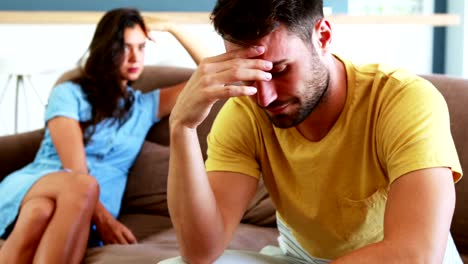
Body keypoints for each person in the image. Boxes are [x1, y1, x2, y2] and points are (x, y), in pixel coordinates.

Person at [162, 0, 464, 263]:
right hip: (300, 258)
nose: (264, 98)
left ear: (323, 36)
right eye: (251, 75)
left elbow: (416, 254)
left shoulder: (403, 100)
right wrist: (182, 127)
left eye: (279, 70)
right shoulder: (245, 113)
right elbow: (200, 252)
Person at [0, 7, 203, 264]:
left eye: (141, 47)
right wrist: (105, 220)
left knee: (39, 212)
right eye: (125, 48)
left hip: (77, 209)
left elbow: (212, 73)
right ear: (107, 49)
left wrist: (175, 28)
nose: (134, 58)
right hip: (37, 184)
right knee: (81, 186)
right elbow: (75, 171)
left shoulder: (145, 106)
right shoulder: (69, 94)